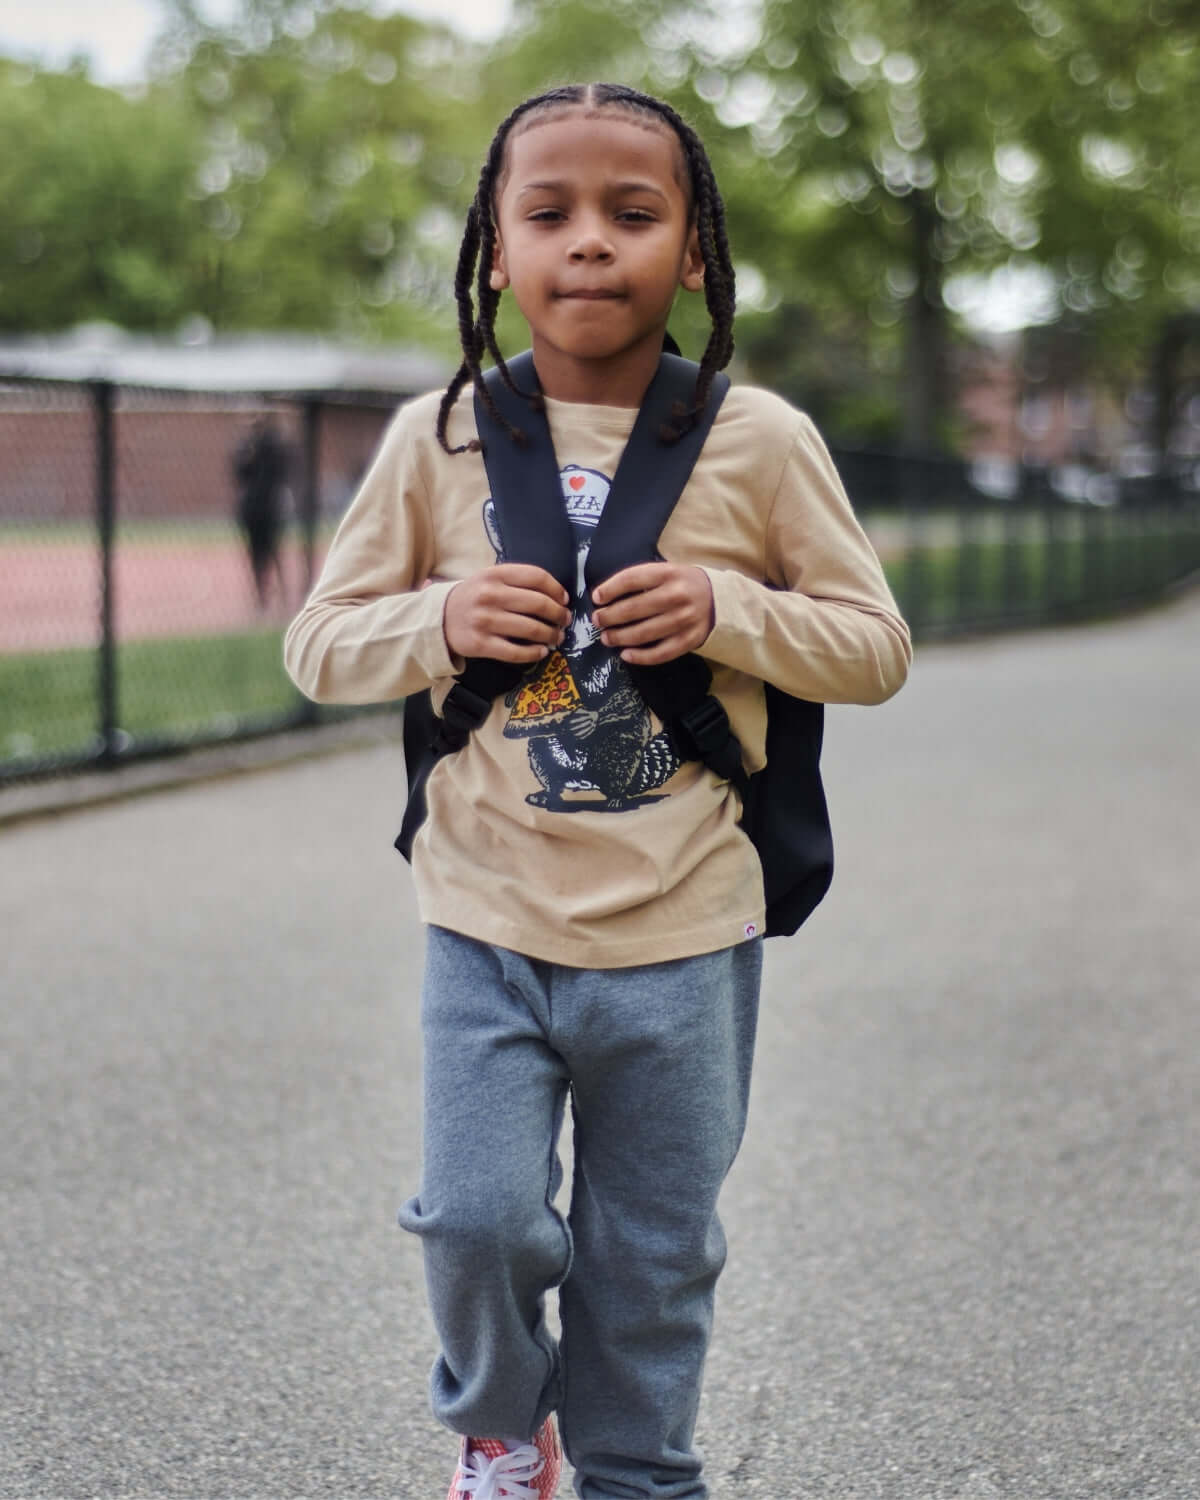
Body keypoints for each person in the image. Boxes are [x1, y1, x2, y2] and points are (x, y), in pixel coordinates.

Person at [284, 82, 911, 1500]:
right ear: (494, 251)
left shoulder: (760, 442)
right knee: (478, 1221)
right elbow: (319, 642)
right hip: (485, 917)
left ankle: (637, 1468)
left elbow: (876, 649)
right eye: (547, 213)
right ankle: (502, 1430)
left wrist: (727, 610)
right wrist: (439, 622)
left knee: (655, 1247)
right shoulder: (436, 436)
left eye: (633, 214)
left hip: (686, 932)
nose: (588, 245)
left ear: (694, 252)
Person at [233, 415, 289, 609]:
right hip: (252, 509)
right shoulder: (245, 448)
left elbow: (284, 470)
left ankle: (283, 595)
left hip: (270, 508)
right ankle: (260, 596)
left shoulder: (274, 445)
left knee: (274, 551)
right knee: (255, 555)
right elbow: (238, 473)